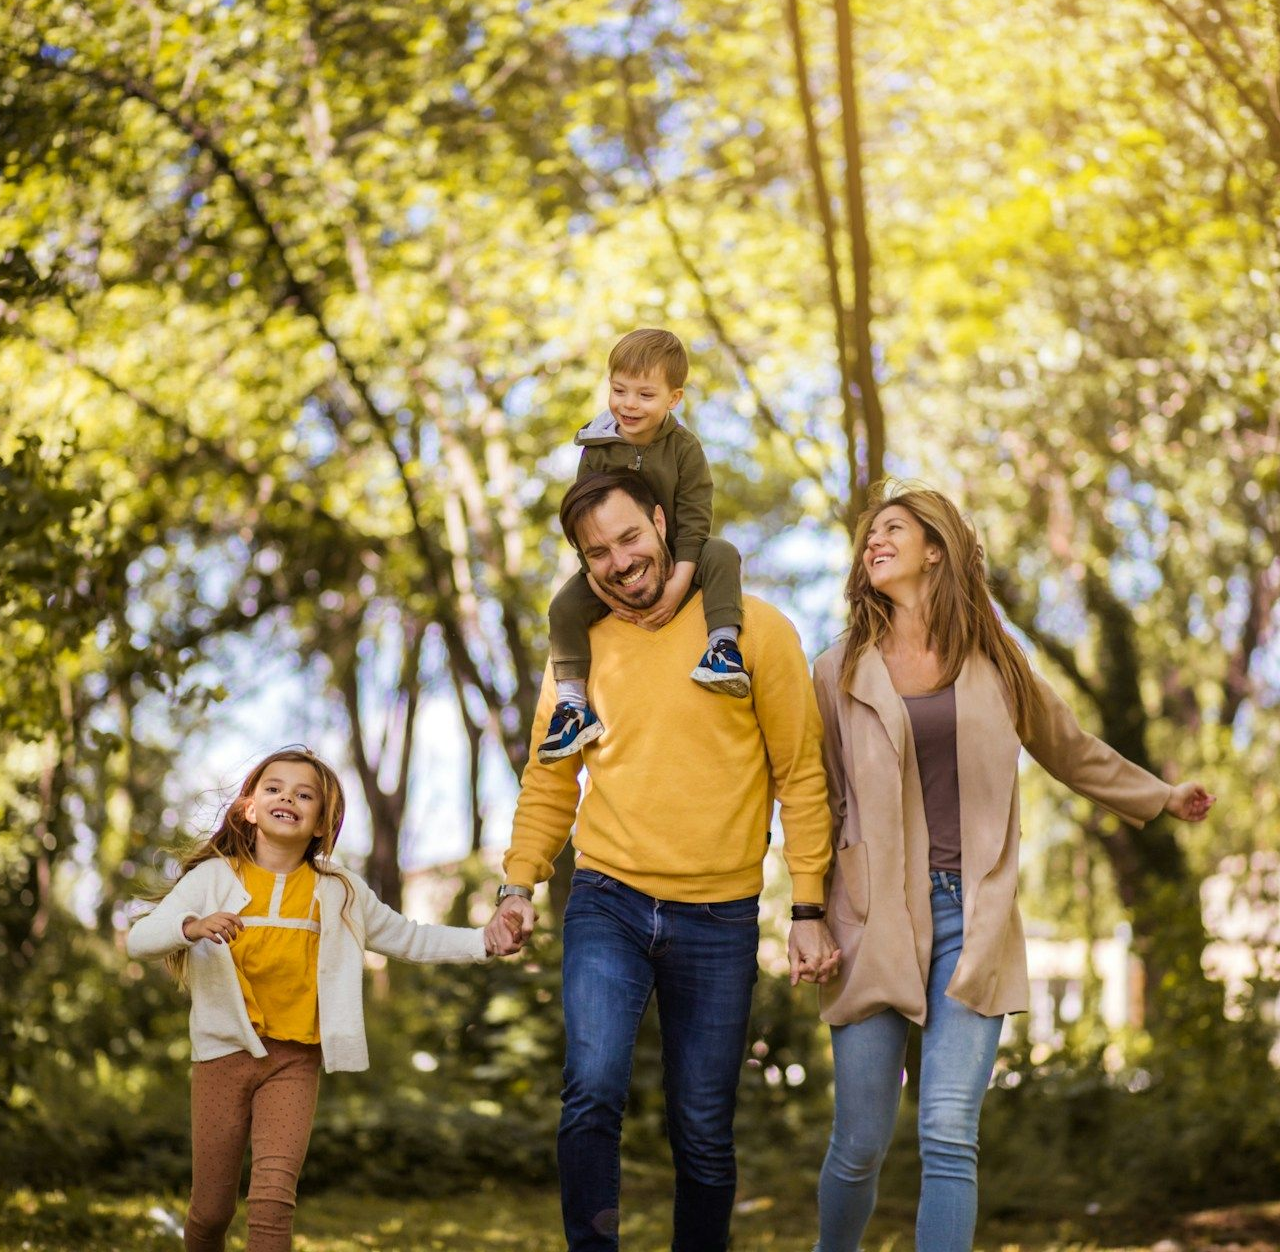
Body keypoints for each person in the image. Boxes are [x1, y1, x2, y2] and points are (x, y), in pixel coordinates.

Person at [811, 484, 1215, 1252]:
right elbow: (813, 799)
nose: (874, 541)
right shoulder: (837, 671)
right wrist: (808, 914)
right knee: (860, 1142)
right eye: (869, 535)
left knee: (948, 1131)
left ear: (938, 548)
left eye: (893, 528)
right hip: (872, 918)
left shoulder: (994, 661)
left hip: (973, 915)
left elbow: (1068, 746)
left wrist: (1160, 796)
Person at [489, 469, 842, 1252]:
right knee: (590, 1091)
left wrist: (809, 907)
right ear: (584, 566)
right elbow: (550, 780)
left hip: (719, 916)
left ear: (660, 522)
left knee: (704, 1126)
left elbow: (801, 776)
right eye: (598, 553)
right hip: (608, 899)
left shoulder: (756, 630)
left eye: (629, 538)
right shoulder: (576, 654)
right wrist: (518, 884)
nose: (619, 562)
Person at [127, 747, 516, 1252]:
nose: (287, 797)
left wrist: (483, 941)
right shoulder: (213, 880)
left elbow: (409, 937)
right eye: (274, 788)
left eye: (304, 794)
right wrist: (190, 926)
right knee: (212, 1210)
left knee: (271, 1198)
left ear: (320, 822)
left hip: (294, 1059)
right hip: (222, 1056)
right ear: (249, 807)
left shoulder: (339, 890)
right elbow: (140, 939)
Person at [538, 327, 748, 764]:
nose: (629, 405)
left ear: (674, 399)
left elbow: (695, 518)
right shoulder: (596, 448)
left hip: (679, 555)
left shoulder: (685, 449)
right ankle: (573, 703)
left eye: (645, 395)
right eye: (619, 390)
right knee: (563, 608)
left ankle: (723, 648)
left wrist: (679, 582)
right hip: (614, 563)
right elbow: (583, 523)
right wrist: (601, 589)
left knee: (723, 552)